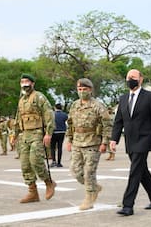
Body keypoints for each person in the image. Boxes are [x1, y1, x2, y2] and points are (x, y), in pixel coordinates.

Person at [110, 69, 151, 216]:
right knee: (142, 171)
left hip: (145, 138)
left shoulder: (150, 96)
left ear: (141, 79)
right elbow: (118, 121)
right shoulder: (123, 98)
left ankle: (128, 205)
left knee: (134, 171)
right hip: (130, 140)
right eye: (128, 77)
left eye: (133, 77)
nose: (130, 79)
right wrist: (114, 139)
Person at [66, 78, 112, 210]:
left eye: (84, 89)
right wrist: (69, 140)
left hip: (93, 143)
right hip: (77, 142)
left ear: (90, 90)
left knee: (89, 172)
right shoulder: (74, 105)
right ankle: (94, 187)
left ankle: (89, 197)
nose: (81, 92)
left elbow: (107, 125)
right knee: (75, 171)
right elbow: (70, 124)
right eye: (79, 89)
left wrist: (104, 143)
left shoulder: (98, 106)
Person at [10, 73, 56, 203]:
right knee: (25, 164)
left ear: (32, 83)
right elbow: (18, 118)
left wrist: (48, 133)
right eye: (22, 81)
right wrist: (14, 134)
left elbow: (49, 115)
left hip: (37, 133)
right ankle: (32, 192)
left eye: (27, 81)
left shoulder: (39, 97)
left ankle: (49, 182)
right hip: (24, 135)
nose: (24, 84)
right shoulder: (21, 100)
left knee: (35, 160)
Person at [51, 103, 68, 167]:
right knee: (59, 147)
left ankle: (53, 161)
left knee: (52, 147)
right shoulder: (65, 115)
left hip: (53, 132)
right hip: (62, 132)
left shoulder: (52, 114)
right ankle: (59, 162)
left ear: (55, 108)